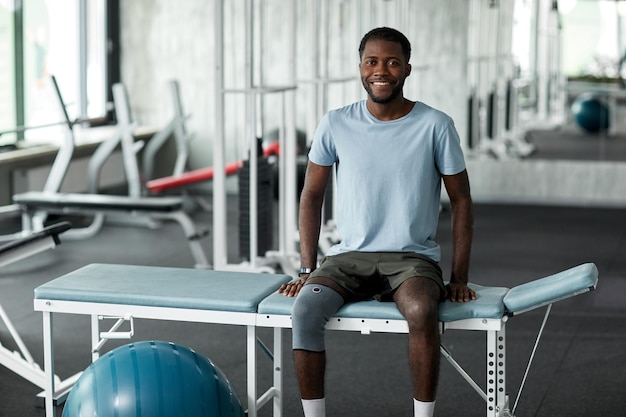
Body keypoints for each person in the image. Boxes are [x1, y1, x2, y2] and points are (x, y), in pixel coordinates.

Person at [278, 27, 475, 417]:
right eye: (371, 61)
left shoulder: (436, 125)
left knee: (421, 309)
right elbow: (311, 196)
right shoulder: (335, 123)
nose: (380, 70)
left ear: (406, 69)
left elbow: (461, 200)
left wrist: (459, 278)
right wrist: (306, 268)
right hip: (347, 257)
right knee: (304, 310)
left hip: (411, 259)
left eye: (391, 62)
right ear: (360, 67)